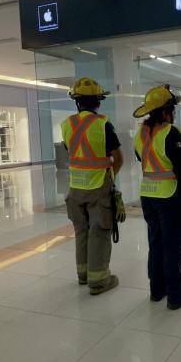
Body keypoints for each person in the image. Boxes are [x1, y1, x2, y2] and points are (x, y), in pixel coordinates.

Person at [133, 85, 181, 310]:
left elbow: (140, 158)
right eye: (172, 108)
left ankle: (157, 290)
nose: (174, 112)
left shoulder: (140, 133)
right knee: (173, 246)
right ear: (165, 111)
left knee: (156, 243)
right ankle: (177, 295)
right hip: (170, 196)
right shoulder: (170, 132)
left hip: (147, 196)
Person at [62, 77, 123, 295]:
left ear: (76, 102)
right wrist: (110, 179)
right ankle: (98, 281)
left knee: (81, 231)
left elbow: (72, 150)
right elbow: (118, 157)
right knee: (99, 230)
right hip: (98, 186)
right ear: (98, 102)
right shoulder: (102, 124)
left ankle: (83, 275)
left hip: (75, 187)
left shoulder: (66, 125)